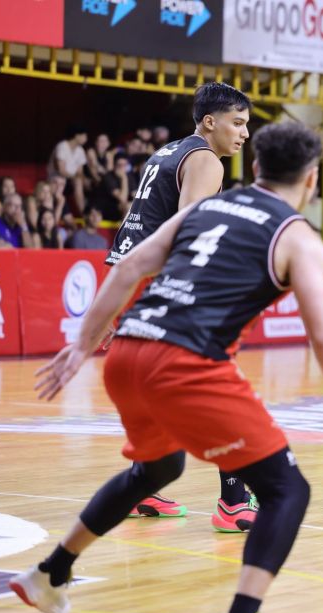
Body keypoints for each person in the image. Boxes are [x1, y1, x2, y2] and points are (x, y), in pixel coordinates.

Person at [9, 121, 323, 613]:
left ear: (256, 168)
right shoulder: (299, 237)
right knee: (288, 489)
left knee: (159, 468)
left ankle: (50, 573)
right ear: (311, 180)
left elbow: (129, 266)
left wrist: (82, 345)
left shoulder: (205, 208)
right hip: (185, 363)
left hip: (127, 352)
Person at [106, 82, 257, 533]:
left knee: (155, 390)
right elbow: (191, 231)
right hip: (163, 285)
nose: (245, 133)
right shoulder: (206, 160)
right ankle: (234, 502)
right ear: (209, 122)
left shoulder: (167, 152)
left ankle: (143, 487)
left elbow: (142, 224)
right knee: (219, 388)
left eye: (247, 124)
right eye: (238, 122)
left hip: (128, 278)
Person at [49, 124, 89, 213]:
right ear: (77, 136)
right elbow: (61, 170)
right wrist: (75, 177)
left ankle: (88, 211)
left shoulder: (80, 150)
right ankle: (83, 212)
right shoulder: (62, 146)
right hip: (57, 180)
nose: (86, 138)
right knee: (77, 182)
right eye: (84, 136)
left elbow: (80, 171)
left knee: (85, 182)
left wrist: (84, 180)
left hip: (70, 182)